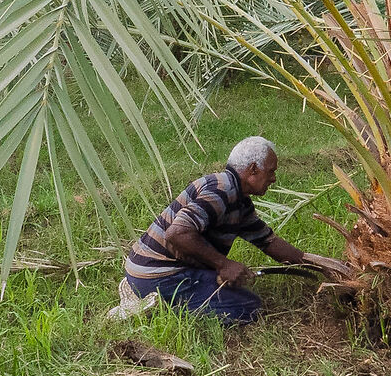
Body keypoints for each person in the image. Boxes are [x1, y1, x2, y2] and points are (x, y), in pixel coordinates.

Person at [122, 136, 317, 325]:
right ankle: (151, 306)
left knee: (228, 289)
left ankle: (139, 290)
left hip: (144, 266)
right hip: (157, 273)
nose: (273, 178)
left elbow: (269, 243)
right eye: (271, 171)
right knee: (248, 307)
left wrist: (320, 264)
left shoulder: (237, 199)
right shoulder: (222, 192)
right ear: (253, 170)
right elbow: (177, 233)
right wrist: (223, 265)